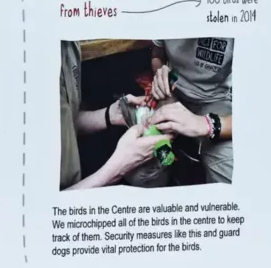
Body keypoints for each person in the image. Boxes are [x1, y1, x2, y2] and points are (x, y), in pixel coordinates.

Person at [72, 38, 234, 185]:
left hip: (214, 102)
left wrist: (205, 124)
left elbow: (256, 118)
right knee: (140, 174)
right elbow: (157, 55)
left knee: (229, 171)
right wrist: (160, 73)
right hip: (170, 94)